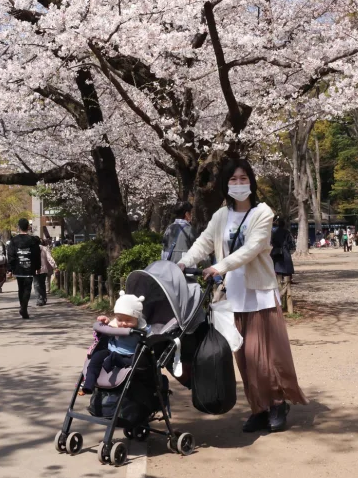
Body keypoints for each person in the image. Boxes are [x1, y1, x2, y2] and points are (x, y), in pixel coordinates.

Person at [178, 159, 307, 433]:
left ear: (252, 181)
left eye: (243, 178)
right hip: (232, 296)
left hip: (259, 293)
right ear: (226, 184)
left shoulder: (263, 212)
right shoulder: (221, 215)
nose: (238, 184)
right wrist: (183, 262)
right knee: (242, 358)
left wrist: (219, 266)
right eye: (233, 179)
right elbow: (203, 242)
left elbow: (253, 248)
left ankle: (277, 403)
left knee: (261, 355)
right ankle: (258, 408)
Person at [81, 293, 146, 396]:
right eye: (120, 320)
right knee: (95, 358)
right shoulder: (115, 324)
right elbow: (109, 327)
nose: (123, 323)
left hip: (129, 355)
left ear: (137, 318)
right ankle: (88, 383)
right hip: (110, 350)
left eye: (128, 320)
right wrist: (106, 323)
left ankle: (114, 359)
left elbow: (151, 337)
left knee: (129, 361)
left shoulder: (142, 329)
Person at [7, 218, 42, 319]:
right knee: (27, 288)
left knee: (20, 288)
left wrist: (10, 269)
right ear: (28, 227)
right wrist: (38, 267)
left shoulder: (14, 240)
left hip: (18, 268)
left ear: (18, 227)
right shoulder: (33, 240)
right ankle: (24, 308)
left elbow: (11, 255)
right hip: (29, 268)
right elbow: (36, 255)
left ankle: (23, 307)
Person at [36, 237, 57, 305]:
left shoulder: (32, 249)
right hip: (43, 269)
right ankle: (43, 298)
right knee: (42, 284)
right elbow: (49, 258)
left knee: (36, 285)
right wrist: (55, 266)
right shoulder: (45, 248)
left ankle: (40, 299)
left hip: (35, 270)